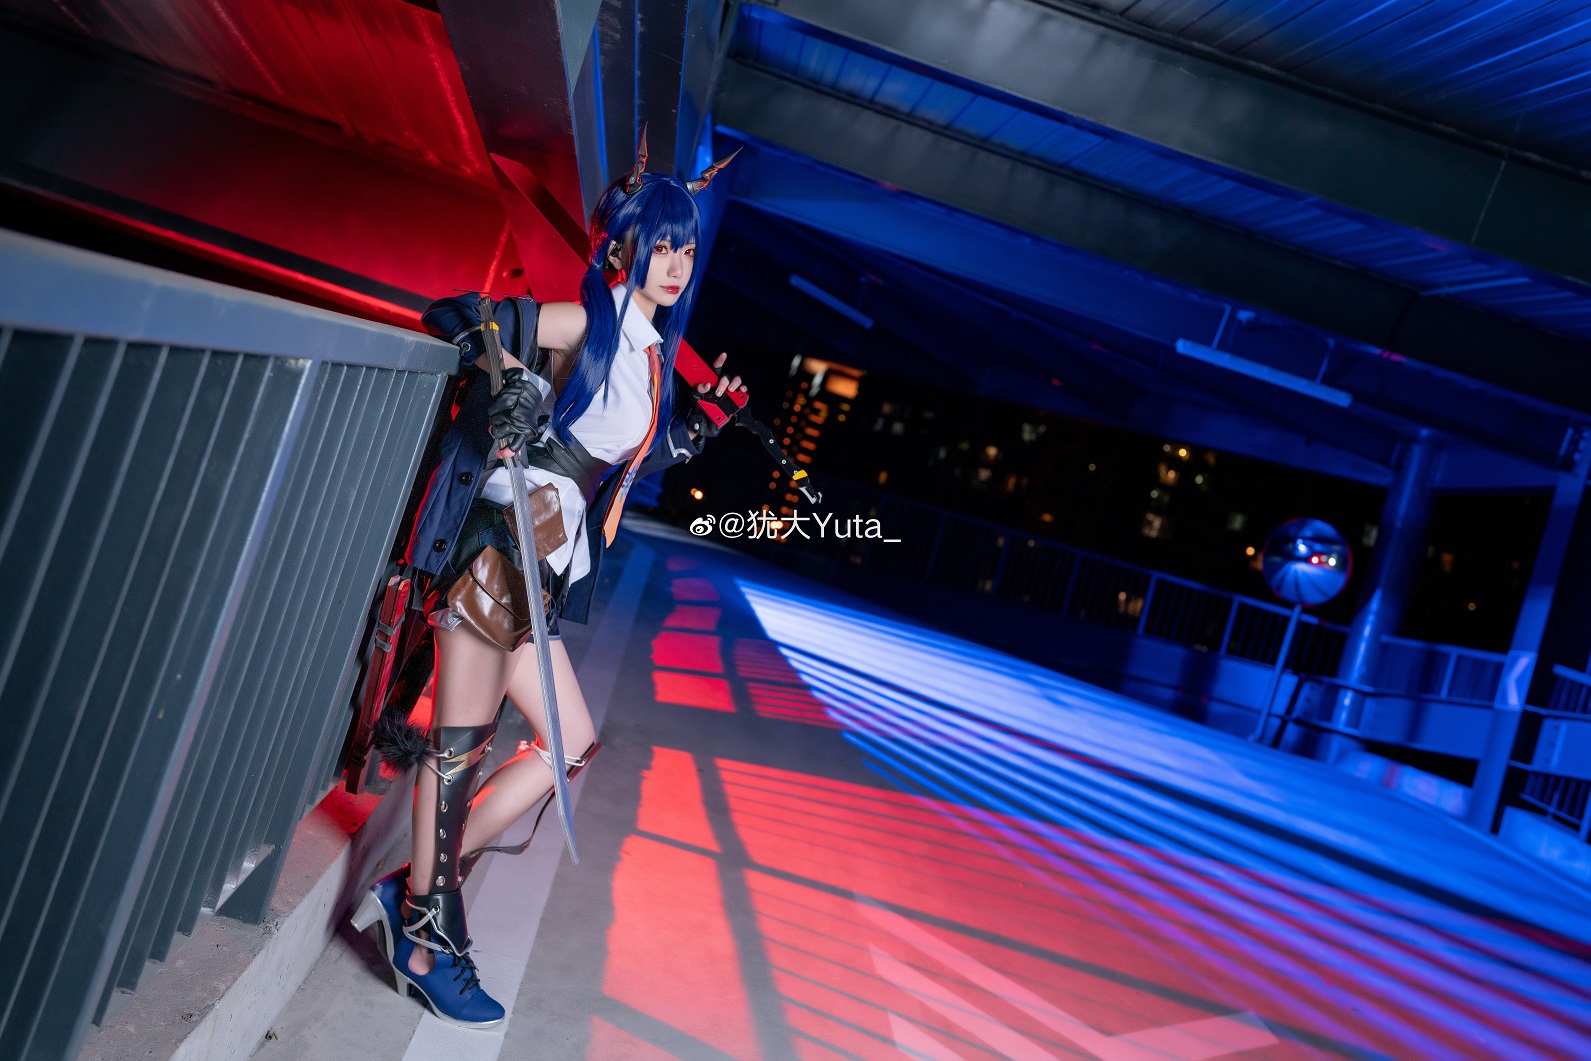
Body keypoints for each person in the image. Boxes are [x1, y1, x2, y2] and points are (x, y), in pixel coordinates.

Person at [349, 139, 745, 1029]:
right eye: (661, 245)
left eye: (686, 249)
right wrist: (509, 382)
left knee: (567, 744)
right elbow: (460, 314)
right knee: (459, 746)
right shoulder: (585, 321)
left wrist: (696, 431)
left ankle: (417, 888)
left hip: (542, 566)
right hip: (497, 547)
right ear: (624, 247)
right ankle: (424, 940)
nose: (675, 263)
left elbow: (607, 458)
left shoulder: (645, 352)